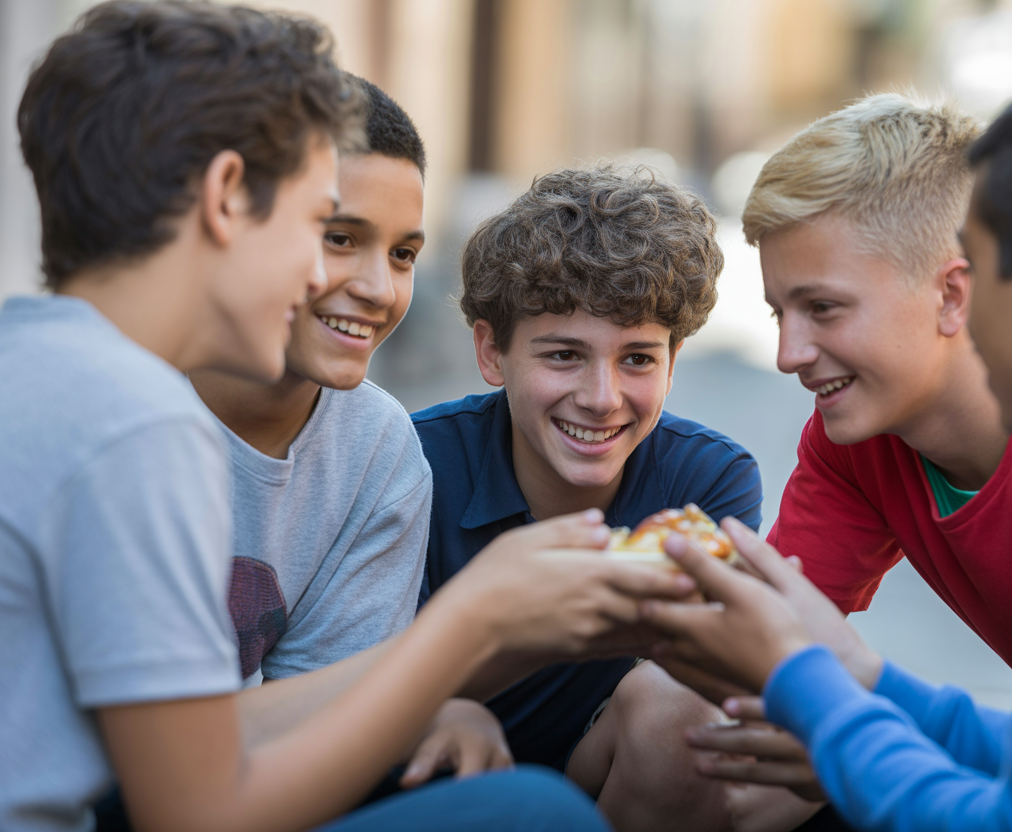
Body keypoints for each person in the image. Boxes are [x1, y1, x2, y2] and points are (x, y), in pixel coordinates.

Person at [0, 4, 693, 831]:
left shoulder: (38, 360)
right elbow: (195, 806)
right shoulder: (139, 421)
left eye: (401, 252)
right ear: (227, 198)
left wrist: (450, 659)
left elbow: (204, 731)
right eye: (319, 226)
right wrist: (474, 622)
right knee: (534, 812)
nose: (357, 283)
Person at [641, 62, 1012, 831]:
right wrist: (845, 684)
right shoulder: (856, 440)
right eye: (781, 312)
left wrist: (827, 707)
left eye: (823, 308)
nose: (788, 353)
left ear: (964, 290)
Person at [413, 166, 815, 832]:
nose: (602, 398)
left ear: (674, 360)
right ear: (491, 352)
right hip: (436, 779)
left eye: (637, 359)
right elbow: (350, 673)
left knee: (689, 705)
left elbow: (707, 693)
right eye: (565, 355)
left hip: (606, 778)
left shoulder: (707, 480)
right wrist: (441, 705)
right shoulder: (416, 466)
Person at [185, 75, 509, 791]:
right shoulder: (119, 404)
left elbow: (316, 730)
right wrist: (462, 646)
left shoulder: (378, 448)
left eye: (402, 254)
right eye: (341, 238)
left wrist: (432, 703)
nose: (380, 288)